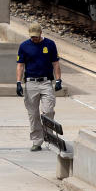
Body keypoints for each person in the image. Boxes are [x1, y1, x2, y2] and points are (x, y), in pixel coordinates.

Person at [16, 22, 62, 151]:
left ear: (41, 33)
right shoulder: (24, 46)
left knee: (48, 110)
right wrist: (18, 82)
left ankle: (48, 136)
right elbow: (20, 65)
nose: (34, 38)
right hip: (31, 83)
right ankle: (37, 140)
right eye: (32, 36)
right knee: (33, 113)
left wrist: (58, 80)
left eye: (36, 36)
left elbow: (55, 63)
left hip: (46, 82)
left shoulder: (50, 44)